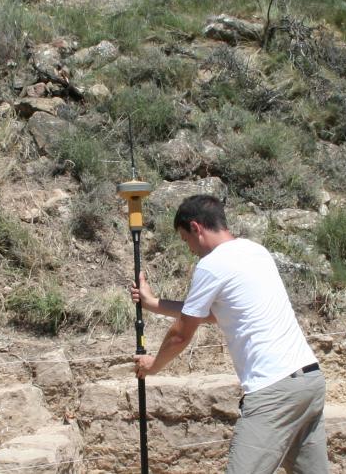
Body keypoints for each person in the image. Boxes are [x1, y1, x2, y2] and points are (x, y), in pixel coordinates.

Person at [131, 195, 328, 474]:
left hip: (273, 390)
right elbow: (215, 313)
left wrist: (153, 366)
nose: (189, 249)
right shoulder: (255, 251)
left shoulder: (212, 265)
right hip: (309, 382)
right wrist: (153, 304)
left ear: (196, 228)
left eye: (185, 239)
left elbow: (180, 335)